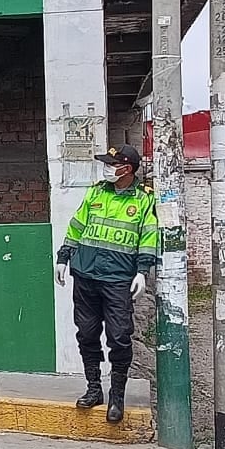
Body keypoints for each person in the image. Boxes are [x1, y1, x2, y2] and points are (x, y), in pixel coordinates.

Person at [54, 144, 159, 424]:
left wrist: (142, 271)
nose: (107, 168)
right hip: (86, 275)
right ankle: (93, 389)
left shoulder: (144, 199)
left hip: (118, 279)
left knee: (119, 337)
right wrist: (63, 257)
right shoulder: (97, 191)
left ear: (127, 169)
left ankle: (117, 397)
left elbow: (148, 237)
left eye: (113, 165)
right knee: (87, 334)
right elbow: (77, 225)